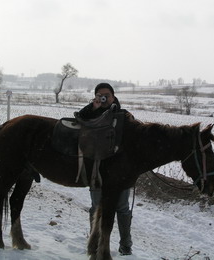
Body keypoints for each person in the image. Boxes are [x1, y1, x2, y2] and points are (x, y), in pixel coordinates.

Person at [78, 83, 133, 256]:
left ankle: (126, 245)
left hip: (120, 172)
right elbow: (80, 118)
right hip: (97, 170)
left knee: (122, 208)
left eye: (106, 95)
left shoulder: (124, 115)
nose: (103, 98)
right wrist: (93, 107)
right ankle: (94, 246)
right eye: (99, 95)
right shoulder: (90, 114)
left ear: (113, 96)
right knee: (96, 206)